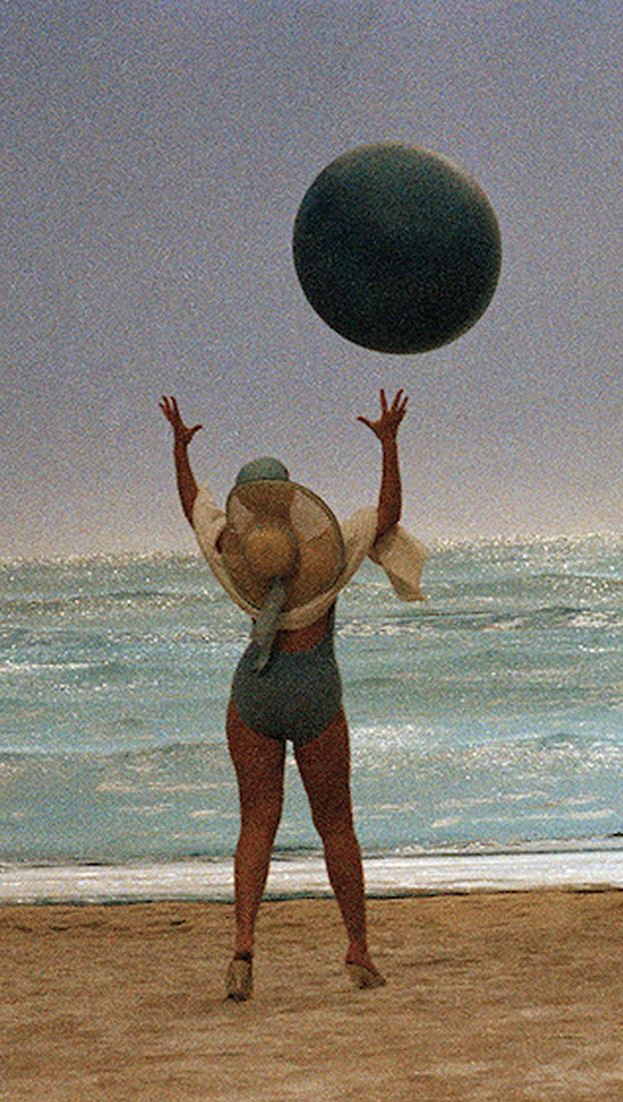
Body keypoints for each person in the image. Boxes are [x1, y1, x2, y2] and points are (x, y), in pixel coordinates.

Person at [162, 389, 427, 997]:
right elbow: (386, 516)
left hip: (255, 692)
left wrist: (180, 449)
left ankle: (243, 947)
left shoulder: (236, 552)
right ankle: (358, 950)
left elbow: (192, 507)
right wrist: (389, 444)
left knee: (256, 822)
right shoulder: (326, 553)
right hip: (313, 690)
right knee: (337, 825)